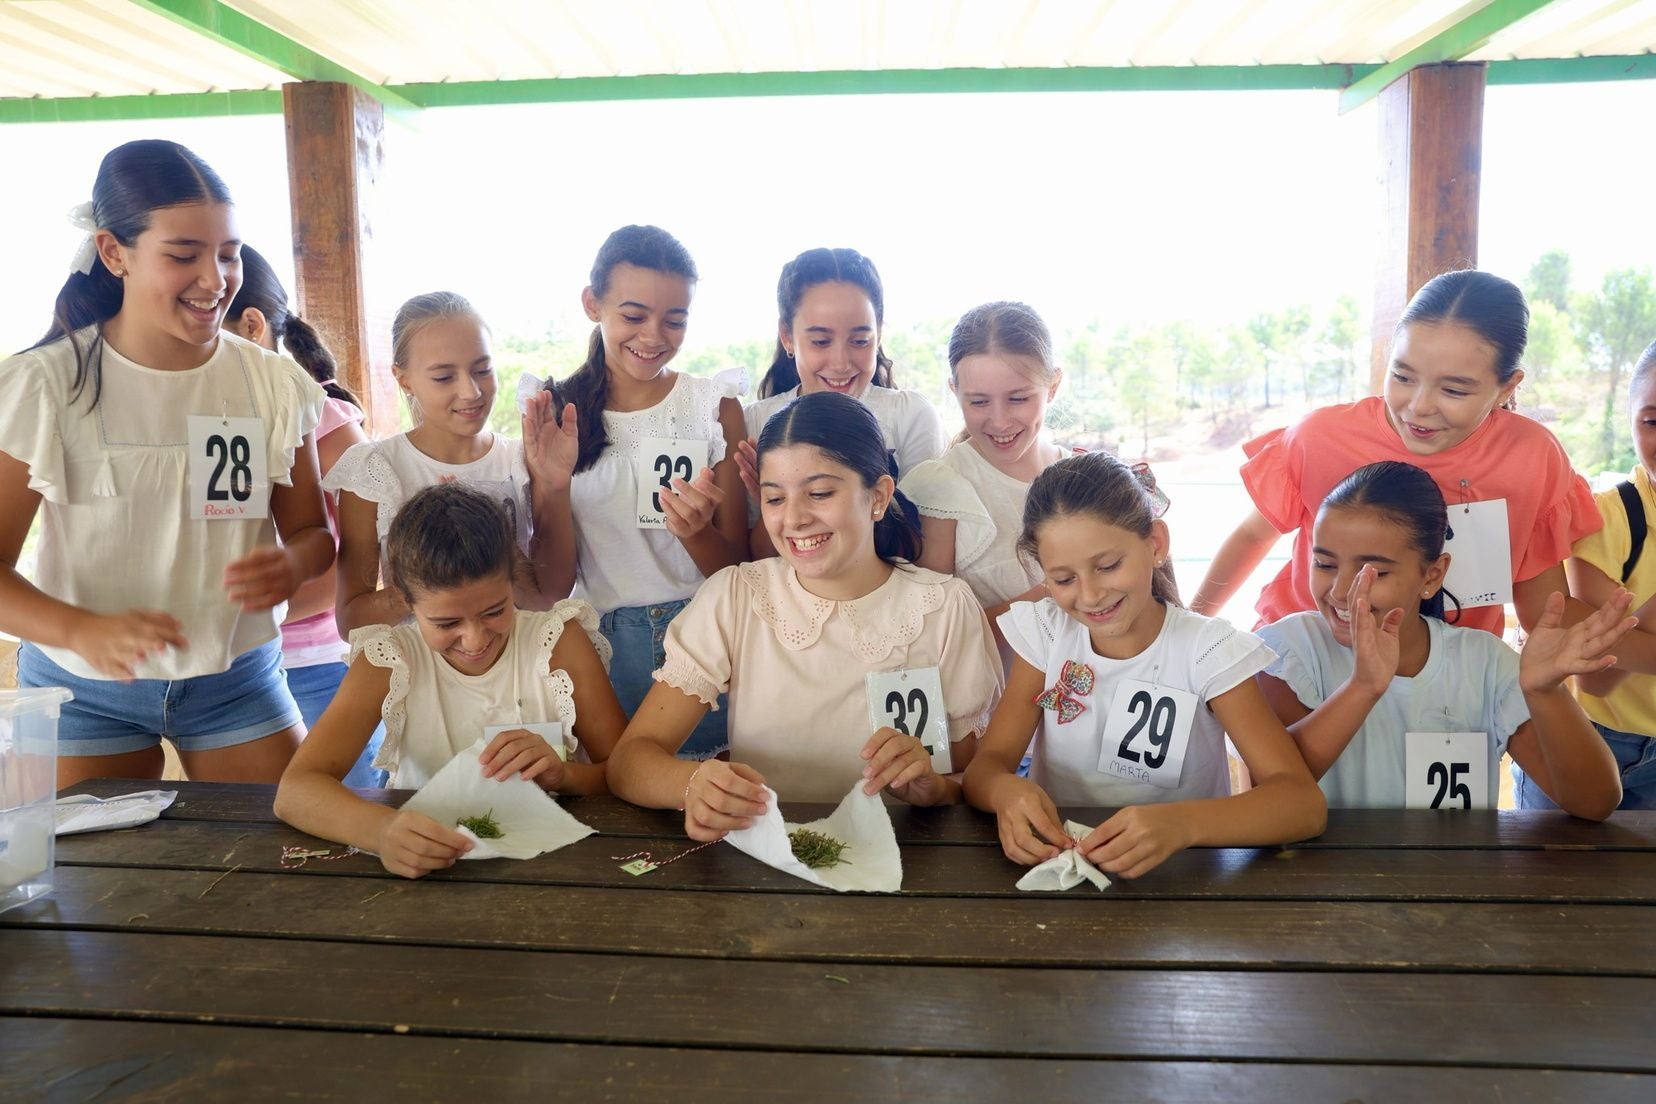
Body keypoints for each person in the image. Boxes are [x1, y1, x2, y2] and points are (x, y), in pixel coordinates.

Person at [0, 139, 333, 787]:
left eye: (229, 255)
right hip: (81, 686)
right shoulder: (45, 386)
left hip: (236, 678)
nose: (216, 280)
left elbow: (312, 534)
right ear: (113, 252)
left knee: (277, 841)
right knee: (94, 855)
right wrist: (80, 630)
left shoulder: (271, 384)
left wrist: (293, 564)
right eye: (184, 255)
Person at [606, 391, 1003, 835]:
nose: (794, 519)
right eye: (775, 499)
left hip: (901, 857)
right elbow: (629, 762)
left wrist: (933, 786)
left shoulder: (944, 608)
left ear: (878, 496)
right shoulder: (736, 596)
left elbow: (970, 780)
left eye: (819, 493)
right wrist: (691, 783)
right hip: (768, 857)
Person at [963, 452, 1325, 879]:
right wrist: (1006, 792)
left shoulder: (1207, 650)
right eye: (1063, 579)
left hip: (1186, 879)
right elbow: (987, 766)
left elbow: (1301, 803)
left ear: (1155, 543)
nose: (1091, 595)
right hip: (1065, 874)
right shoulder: (1047, 633)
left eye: (1108, 566)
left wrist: (1182, 823)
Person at [1191, 270, 1600, 641]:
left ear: (1507, 387)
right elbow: (1253, 536)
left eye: (1453, 390)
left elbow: (1543, 608)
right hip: (1303, 657)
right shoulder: (1320, 437)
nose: (1418, 407)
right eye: (1403, 376)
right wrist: (1188, 631)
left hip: (1449, 678)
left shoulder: (1531, 459)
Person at [274, 483, 626, 879]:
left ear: (513, 581)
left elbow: (626, 773)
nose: (474, 639)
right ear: (404, 600)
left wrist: (565, 775)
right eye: (446, 623)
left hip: (558, 867)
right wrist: (382, 831)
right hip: (430, 871)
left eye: (494, 611)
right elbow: (296, 790)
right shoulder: (390, 659)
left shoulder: (557, 641)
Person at [1255, 461, 1625, 819]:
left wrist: (1546, 693)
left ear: (1432, 576)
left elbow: (1594, 802)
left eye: (1374, 572)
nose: (1340, 591)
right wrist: (1362, 687)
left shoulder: (1484, 663)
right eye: (1324, 564)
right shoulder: (1286, 651)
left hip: (1453, 864)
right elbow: (1270, 791)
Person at [537, 225, 747, 760]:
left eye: (675, 320)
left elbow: (738, 570)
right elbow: (553, 584)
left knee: (707, 789)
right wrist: (553, 485)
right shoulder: (555, 411)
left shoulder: (714, 406)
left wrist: (695, 533)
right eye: (633, 316)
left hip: (705, 637)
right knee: (614, 791)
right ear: (593, 304)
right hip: (602, 648)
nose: (654, 336)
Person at [223, 244, 383, 786]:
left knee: (348, 807)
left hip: (318, 665)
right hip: (238, 666)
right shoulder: (212, 420)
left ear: (251, 327)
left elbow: (366, 559)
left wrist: (253, 610)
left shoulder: (326, 421)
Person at [324, 291, 566, 634]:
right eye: (444, 377)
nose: (471, 392)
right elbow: (351, 621)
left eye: (482, 370)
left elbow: (551, 598)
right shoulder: (375, 470)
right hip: (421, 661)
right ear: (403, 378)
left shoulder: (522, 459)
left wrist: (554, 487)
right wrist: (434, 574)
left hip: (520, 657)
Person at [739, 249, 946, 556]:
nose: (840, 362)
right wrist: (772, 500)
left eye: (859, 341)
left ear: (879, 333)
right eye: (821, 341)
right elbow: (754, 559)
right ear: (787, 336)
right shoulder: (755, 424)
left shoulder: (910, 415)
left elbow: (922, 547)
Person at [903, 301, 1068, 655]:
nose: (1000, 421)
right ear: (955, 391)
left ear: (1053, 386)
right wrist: (1053, 593)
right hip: (989, 688)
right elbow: (933, 638)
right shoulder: (940, 489)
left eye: (1018, 398)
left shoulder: (1083, 475)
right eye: (978, 402)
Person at [1543, 339, 1656, 810]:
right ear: (1630, 419)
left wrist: (1633, 640)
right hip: (1599, 739)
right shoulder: (1607, 516)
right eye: (1652, 421)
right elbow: (1597, 678)